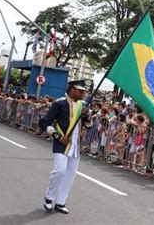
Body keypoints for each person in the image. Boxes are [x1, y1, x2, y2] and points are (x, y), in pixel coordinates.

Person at [42, 80, 92, 214]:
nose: (83, 93)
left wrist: (87, 116)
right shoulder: (60, 103)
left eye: (84, 91)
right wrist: (58, 136)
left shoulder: (84, 106)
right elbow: (45, 123)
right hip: (61, 144)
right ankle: (49, 197)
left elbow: (88, 126)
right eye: (80, 91)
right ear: (72, 90)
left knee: (70, 175)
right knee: (59, 171)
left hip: (76, 146)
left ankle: (61, 201)